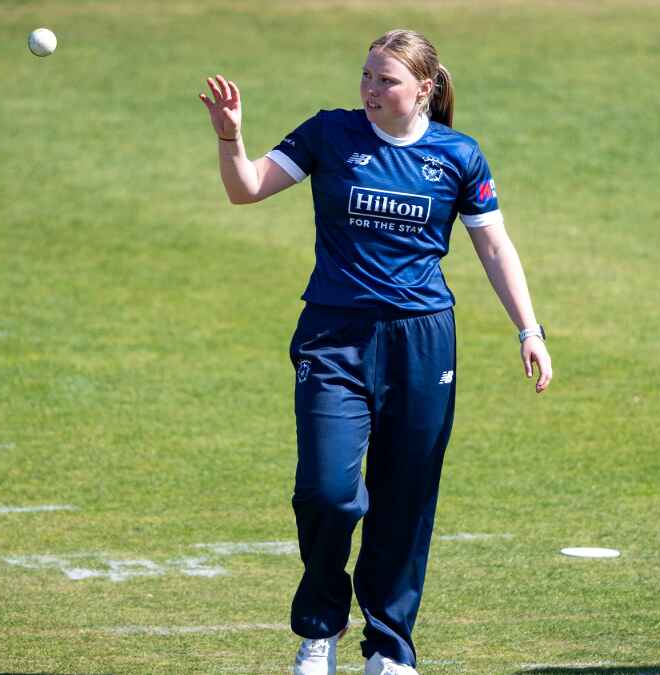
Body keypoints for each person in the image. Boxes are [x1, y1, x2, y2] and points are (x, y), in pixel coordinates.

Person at [199, 28, 552, 675]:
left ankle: (389, 647)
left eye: (385, 80)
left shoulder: (459, 155)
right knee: (328, 492)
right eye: (365, 75)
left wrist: (529, 330)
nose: (369, 89)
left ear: (424, 89)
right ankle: (321, 625)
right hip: (334, 336)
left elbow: (495, 246)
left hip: (421, 341)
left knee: (405, 498)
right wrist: (230, 139)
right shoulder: (329, 134)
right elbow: (245, 188)